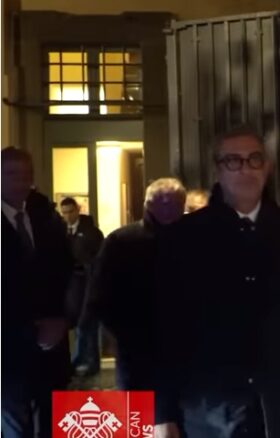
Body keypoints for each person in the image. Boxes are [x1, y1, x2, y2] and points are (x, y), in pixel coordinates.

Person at [152, 126, 280, 438]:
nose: (245, 168)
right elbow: (163, 330)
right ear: (217, 169)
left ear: (267, 167)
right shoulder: (183, 239)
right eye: (233, 161)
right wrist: (162, 412)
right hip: (211, 409)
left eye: (254, 159)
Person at [1, 147, 74, 438]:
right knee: (15, 423)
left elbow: (65, 271)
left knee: (52, 422)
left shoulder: (45, 216)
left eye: (27, 176)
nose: (21, 183)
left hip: (50, 347)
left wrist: (63, 320)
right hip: (9, 347)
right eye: (11, 175)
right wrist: (29, 328)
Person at [92, 178, 186, 390]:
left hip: (182, 347)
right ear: (148, 205)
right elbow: (101, 292)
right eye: (162, 203)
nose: (168, 209)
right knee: (137, 414)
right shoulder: (120, 241)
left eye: (173, 203)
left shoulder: (193, 240)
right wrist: (116, 332)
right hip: (136, 344)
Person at [59, 197, 105, 377]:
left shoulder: (91, 233)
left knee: (87, 324)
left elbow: (97, 259)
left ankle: (89, 361)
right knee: (77, 323)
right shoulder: (62, 232)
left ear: (77, 210)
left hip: (86, 282)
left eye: (70, 212)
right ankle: (78, 359)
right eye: (64, 213)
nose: (68, 216)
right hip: (71, 285)